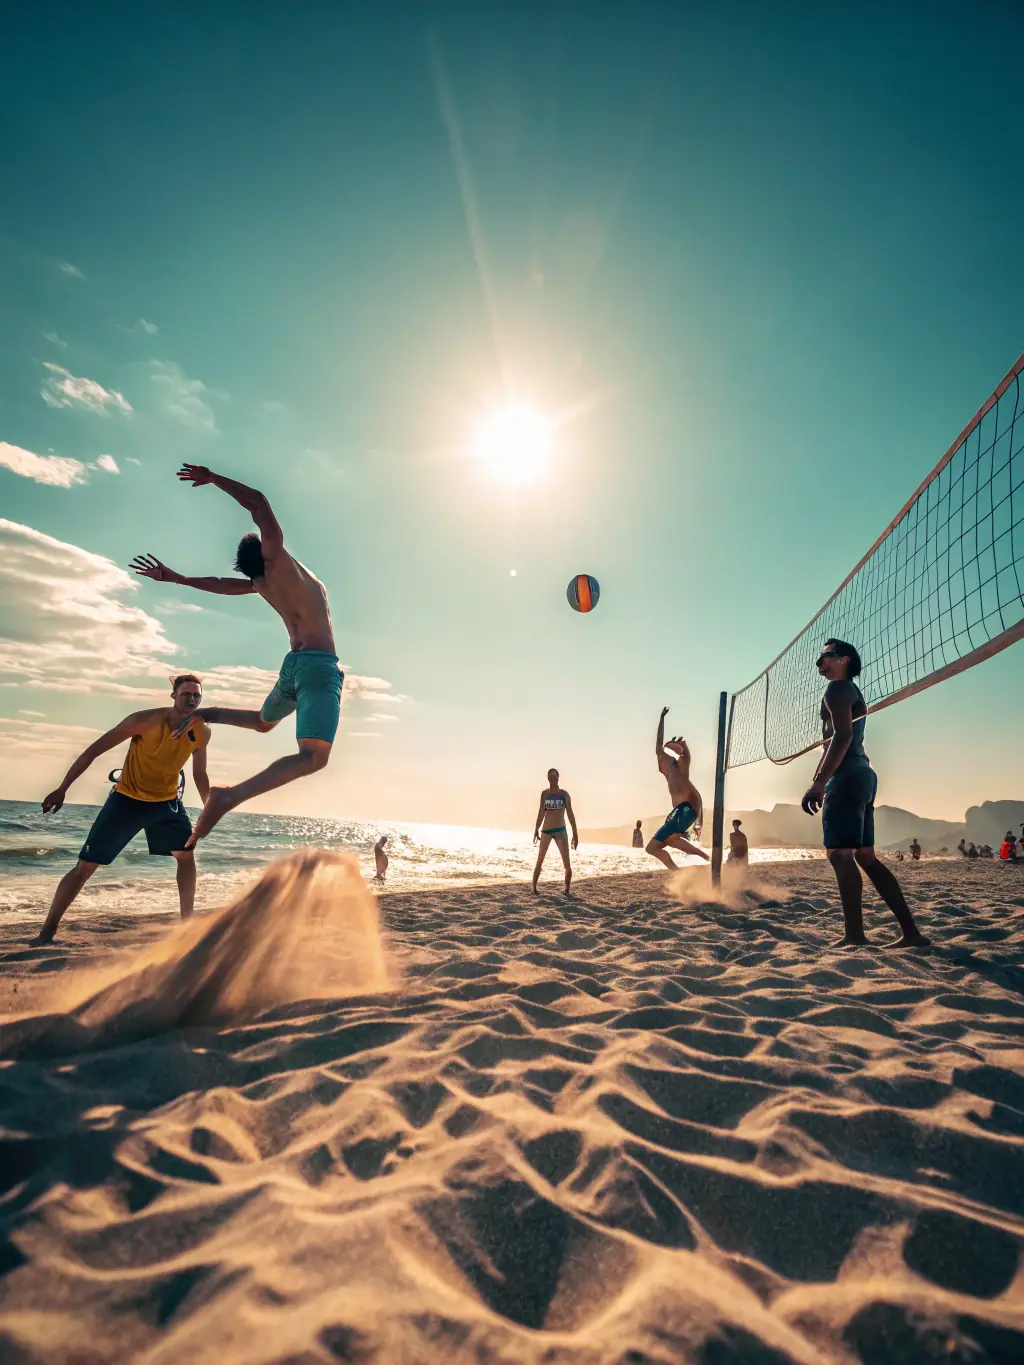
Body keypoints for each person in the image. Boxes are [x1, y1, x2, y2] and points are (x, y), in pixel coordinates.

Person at [131, 465, 343, 845]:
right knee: (313, 757)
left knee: (264, 723)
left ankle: (205, 714)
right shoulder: (276, 562)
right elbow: (258, 504)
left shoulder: (262, 584)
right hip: (317, 667)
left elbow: (221, 585)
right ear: (265, 549)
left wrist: (176, 578)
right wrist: (213, 478)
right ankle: (229, 796)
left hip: (293, 668)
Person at [32, 674, 211, 944]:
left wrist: (210, 809)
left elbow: (200, 773)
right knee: (85, 866)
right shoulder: (144, 720)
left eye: (197, 695)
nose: (192, 699)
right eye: (186, 694)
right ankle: (47, 931)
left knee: (185, 856)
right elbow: (94, 751)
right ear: (173, 695)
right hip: (127, 801)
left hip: (166, 803)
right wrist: (62, 788)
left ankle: (187, 927)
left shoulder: (202, 731)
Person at [800, 639, 928, 949]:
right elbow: (835, 741)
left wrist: (820, 782)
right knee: (865, 857)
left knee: (839, 854)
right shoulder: (845, 692)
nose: (819, 663)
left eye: (825, 656)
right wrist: (820, 779)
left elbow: (842, 736)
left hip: (848, 775)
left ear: (844, 660)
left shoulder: (839, 689)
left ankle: (855, 936)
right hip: (860, 774)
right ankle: (911, 934)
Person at [646, 708, 709, 869]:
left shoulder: (680, 768)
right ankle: (686, 867)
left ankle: (701, 855)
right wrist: (661, 718)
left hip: (687, 809)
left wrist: (682, 747)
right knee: (654, 847)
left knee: (668, 840)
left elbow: (685, 756)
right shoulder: (667, 772)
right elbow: (658, 744)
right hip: (680, 811)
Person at [532, 768, 578, 893]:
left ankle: (567, 889)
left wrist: (575, 833)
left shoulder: (564, 795)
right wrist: (536, 829)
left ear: (558, 777)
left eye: (554, 775)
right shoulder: (545, 794)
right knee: (539, 860)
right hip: (546, 831)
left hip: (560, 831)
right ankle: (534, 888)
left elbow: (570, 815)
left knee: (567, 864)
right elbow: (541, 813)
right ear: (548, 779)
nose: (552, 778)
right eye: (550, 776)